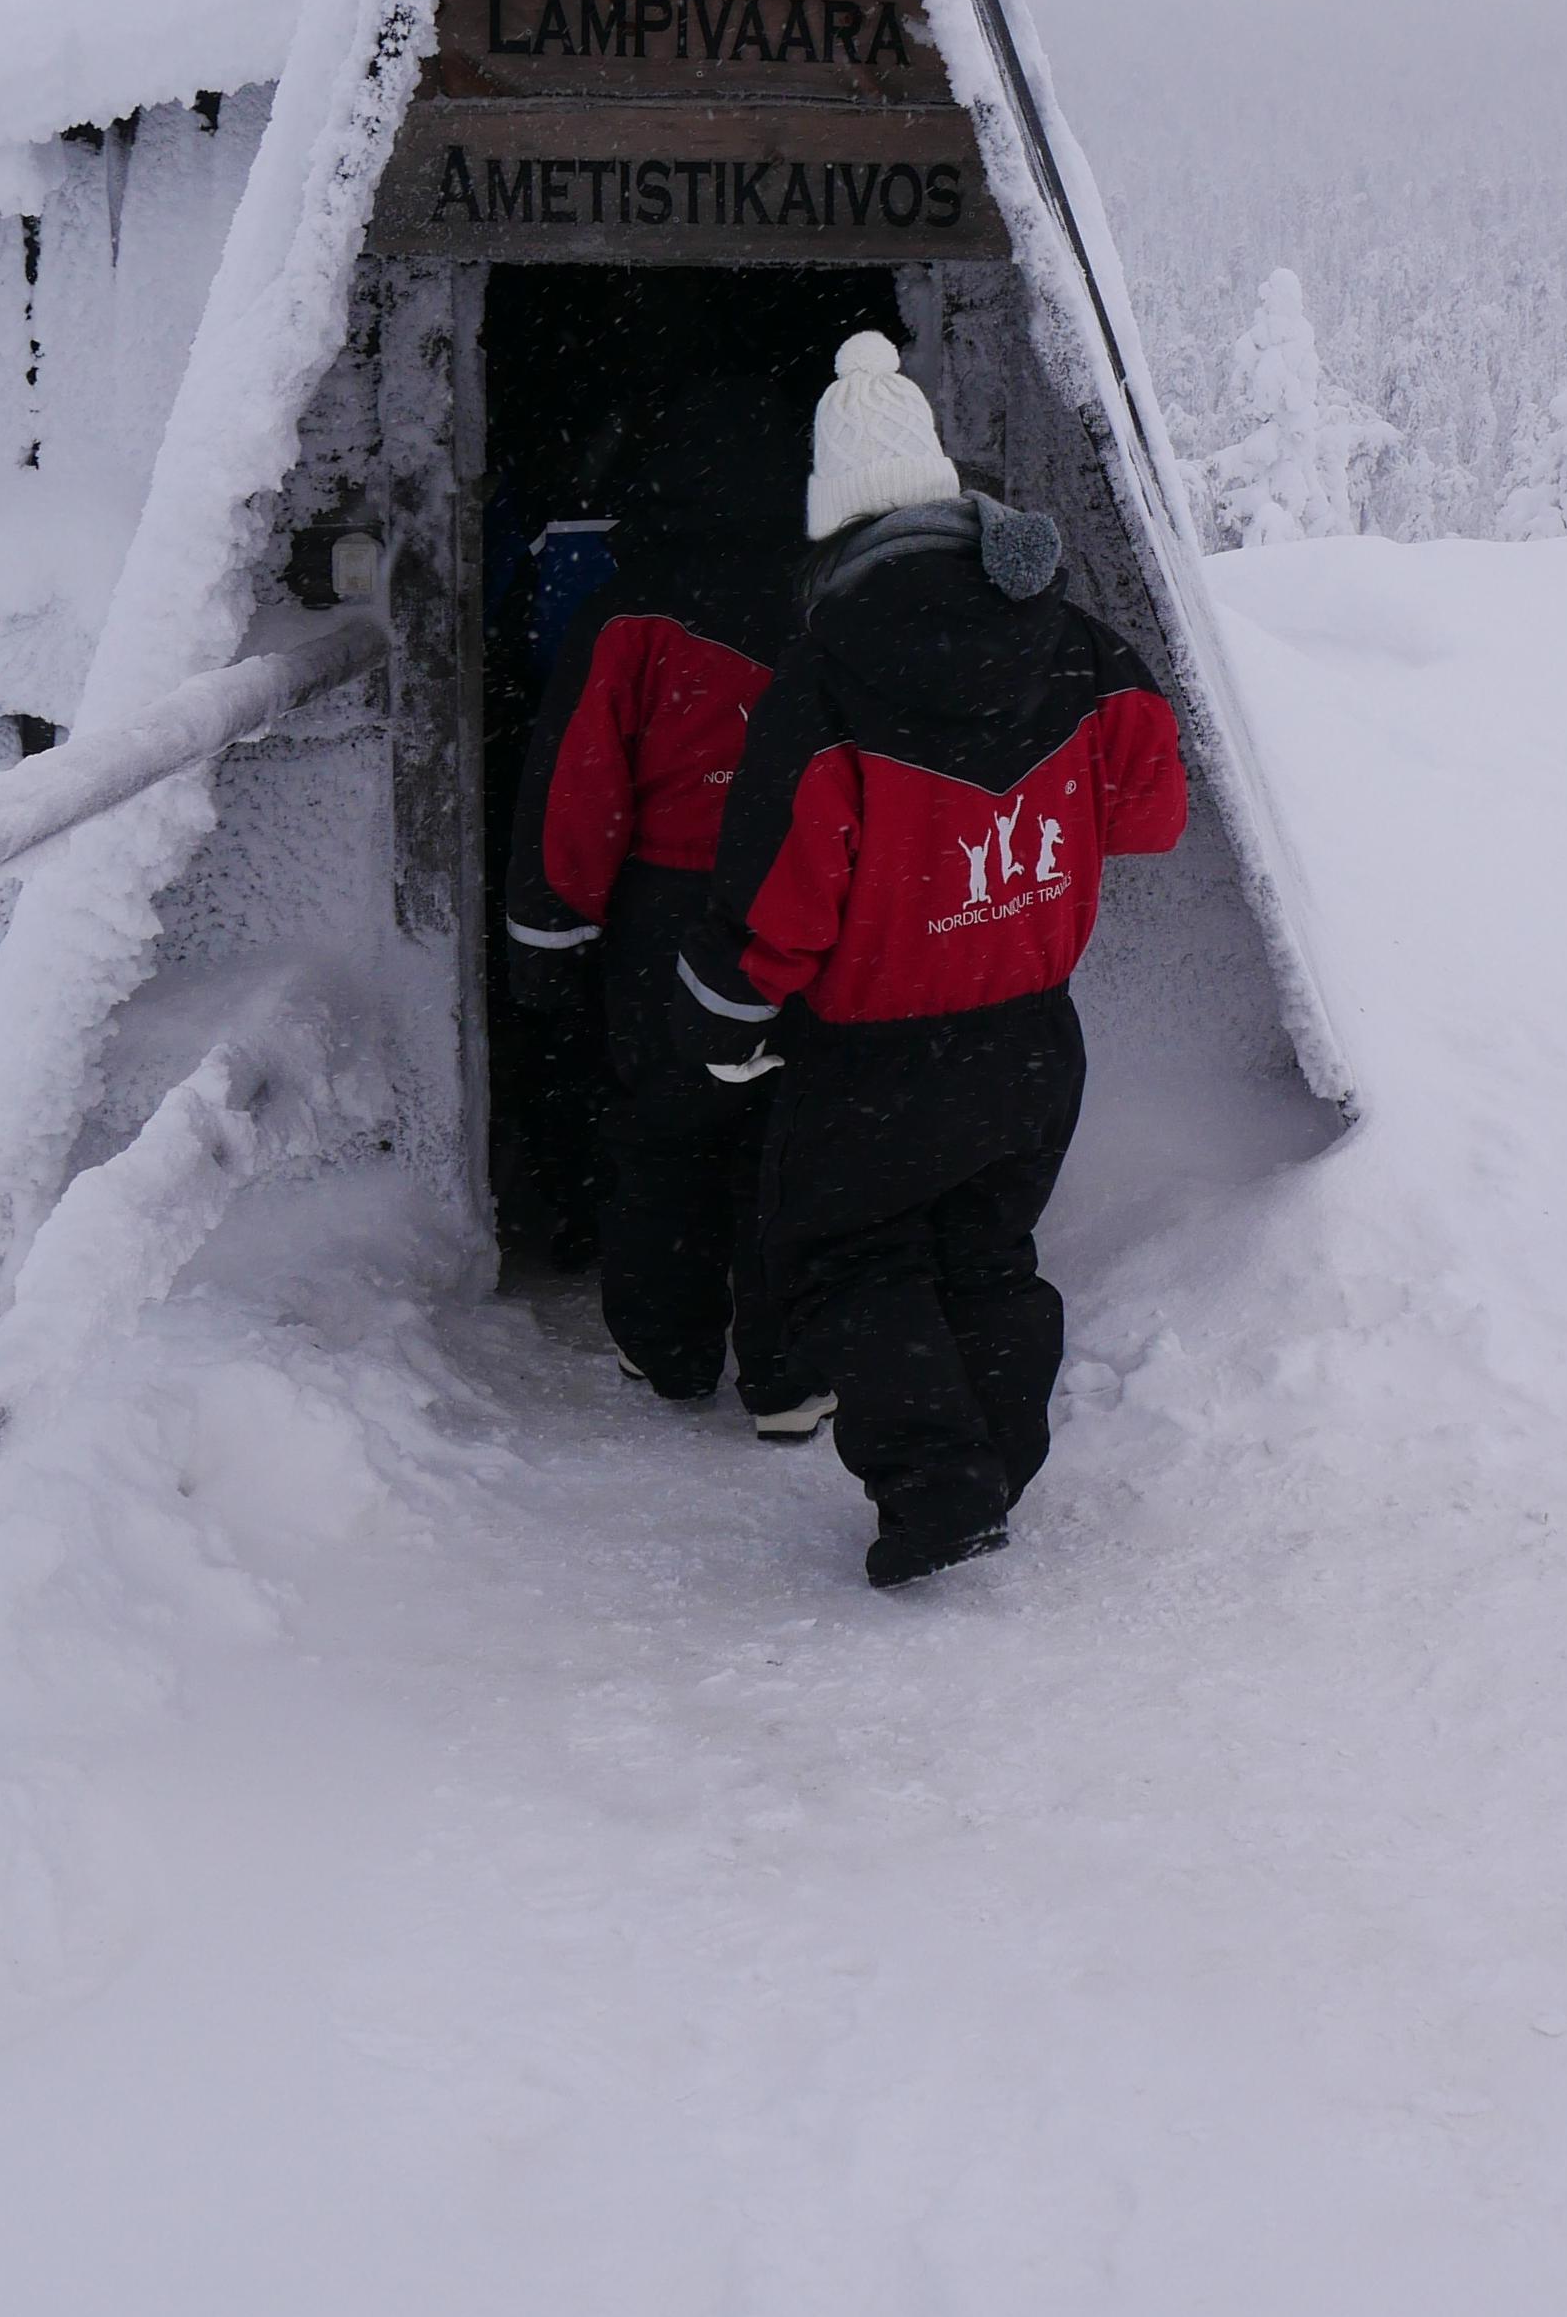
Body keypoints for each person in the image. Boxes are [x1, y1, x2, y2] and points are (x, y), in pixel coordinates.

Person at [678, 331, 1188, 1589]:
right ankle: (991, 1464)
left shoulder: (827, 678)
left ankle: (940, 1487)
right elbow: (1151, 810)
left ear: (833, 522)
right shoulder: (1072, 642)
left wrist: (723, 1017)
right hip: (1029, 1038)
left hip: (873, 1051)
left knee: (851, 1259)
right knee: (986, 1255)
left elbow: (775, 899)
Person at [502, 373, 827, 1430]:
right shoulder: (832, 592)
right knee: (794, 1137)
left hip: (665, 907)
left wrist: (548, 934)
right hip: (806, 899)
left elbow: (577, 787)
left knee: (662, 1128)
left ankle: (667, 1347)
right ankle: (789, 1375)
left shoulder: (626, 610)